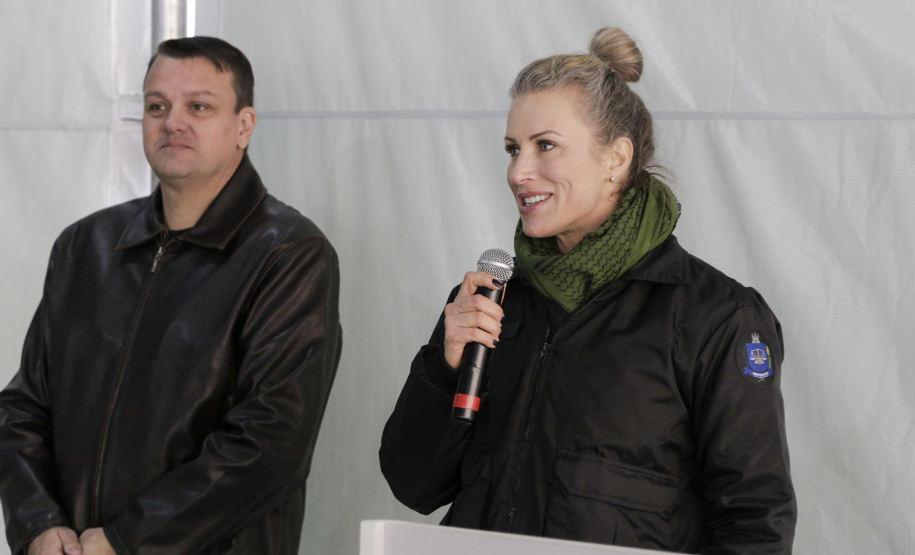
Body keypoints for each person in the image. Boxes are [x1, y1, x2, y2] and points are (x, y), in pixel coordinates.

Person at [380, 27, 795, 553]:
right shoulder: (489, 302)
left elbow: (755, 522)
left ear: (616, 159)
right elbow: (413, 485)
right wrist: (443, 368)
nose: (517, 171)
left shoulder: (716, 316)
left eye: (545, 145)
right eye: (512, 149)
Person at [0, 37, 342, 555]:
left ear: (243, 126)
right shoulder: (86, 245)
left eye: (198, 107)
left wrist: (124, 540)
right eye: (157, 106)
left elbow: (270, 444)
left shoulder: (290, 253)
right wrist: (39, 526)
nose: (172, 122)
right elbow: (23, 410)